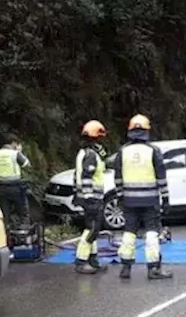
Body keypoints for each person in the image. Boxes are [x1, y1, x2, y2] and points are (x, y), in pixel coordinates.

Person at [112, 114, 171, 280]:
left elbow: (117, 178)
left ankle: (125, 267)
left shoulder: (122, 152)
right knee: (152, 232)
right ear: (146, 131)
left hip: (129, 201)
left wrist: (120, 196)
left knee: (129, 232)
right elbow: (161, 178)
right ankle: (153, 268)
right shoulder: (153, 151)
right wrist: (165, 199)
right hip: (150, 200)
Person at [73, 120, 109, 275]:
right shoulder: (91, 155)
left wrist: (78, 193)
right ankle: (81, 261)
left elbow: (77, 176)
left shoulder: (83, 152)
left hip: (88, 197)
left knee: (93, 228)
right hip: (92, 198)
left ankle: (93, 260)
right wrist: (89, 197)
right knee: (92, 230)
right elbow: (86, 176)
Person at [0, 135, 31, 227]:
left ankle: (5, 234)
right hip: (16, 187)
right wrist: (19, 151)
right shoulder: (14, 153)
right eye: (18, 144)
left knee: (5, 214)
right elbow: (27, 164)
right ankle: (23, 234)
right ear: (13, 143)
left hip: (1, 188)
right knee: (23, 213)